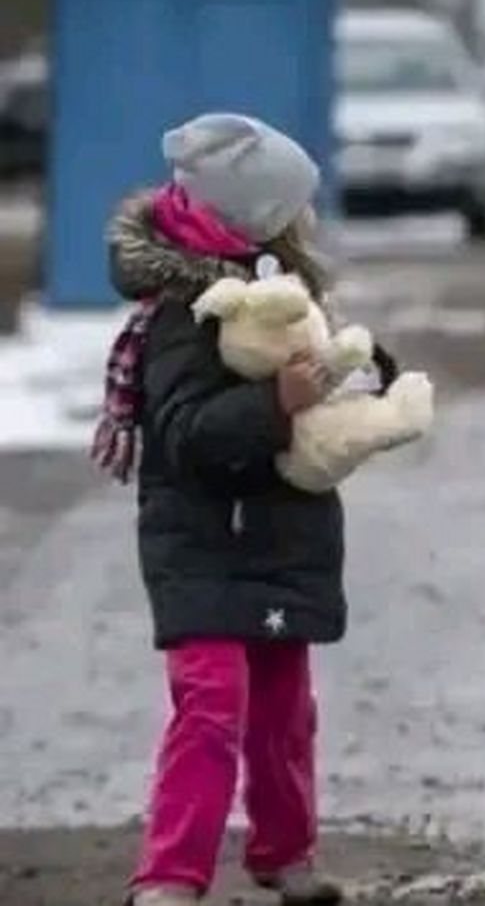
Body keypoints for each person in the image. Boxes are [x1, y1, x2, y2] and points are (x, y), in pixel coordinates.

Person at [96, 113, 349, 906]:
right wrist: (276, 403)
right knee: (210, 709)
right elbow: (184, 433)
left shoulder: (285, 288)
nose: (306, 220)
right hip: (203, 545)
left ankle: (286, 853)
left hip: (279, 536)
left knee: (283, 711)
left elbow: (335, 361)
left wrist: (358, 372)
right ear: (254, 215)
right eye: (293, 207)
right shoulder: (188, 312)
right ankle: (170, 876)